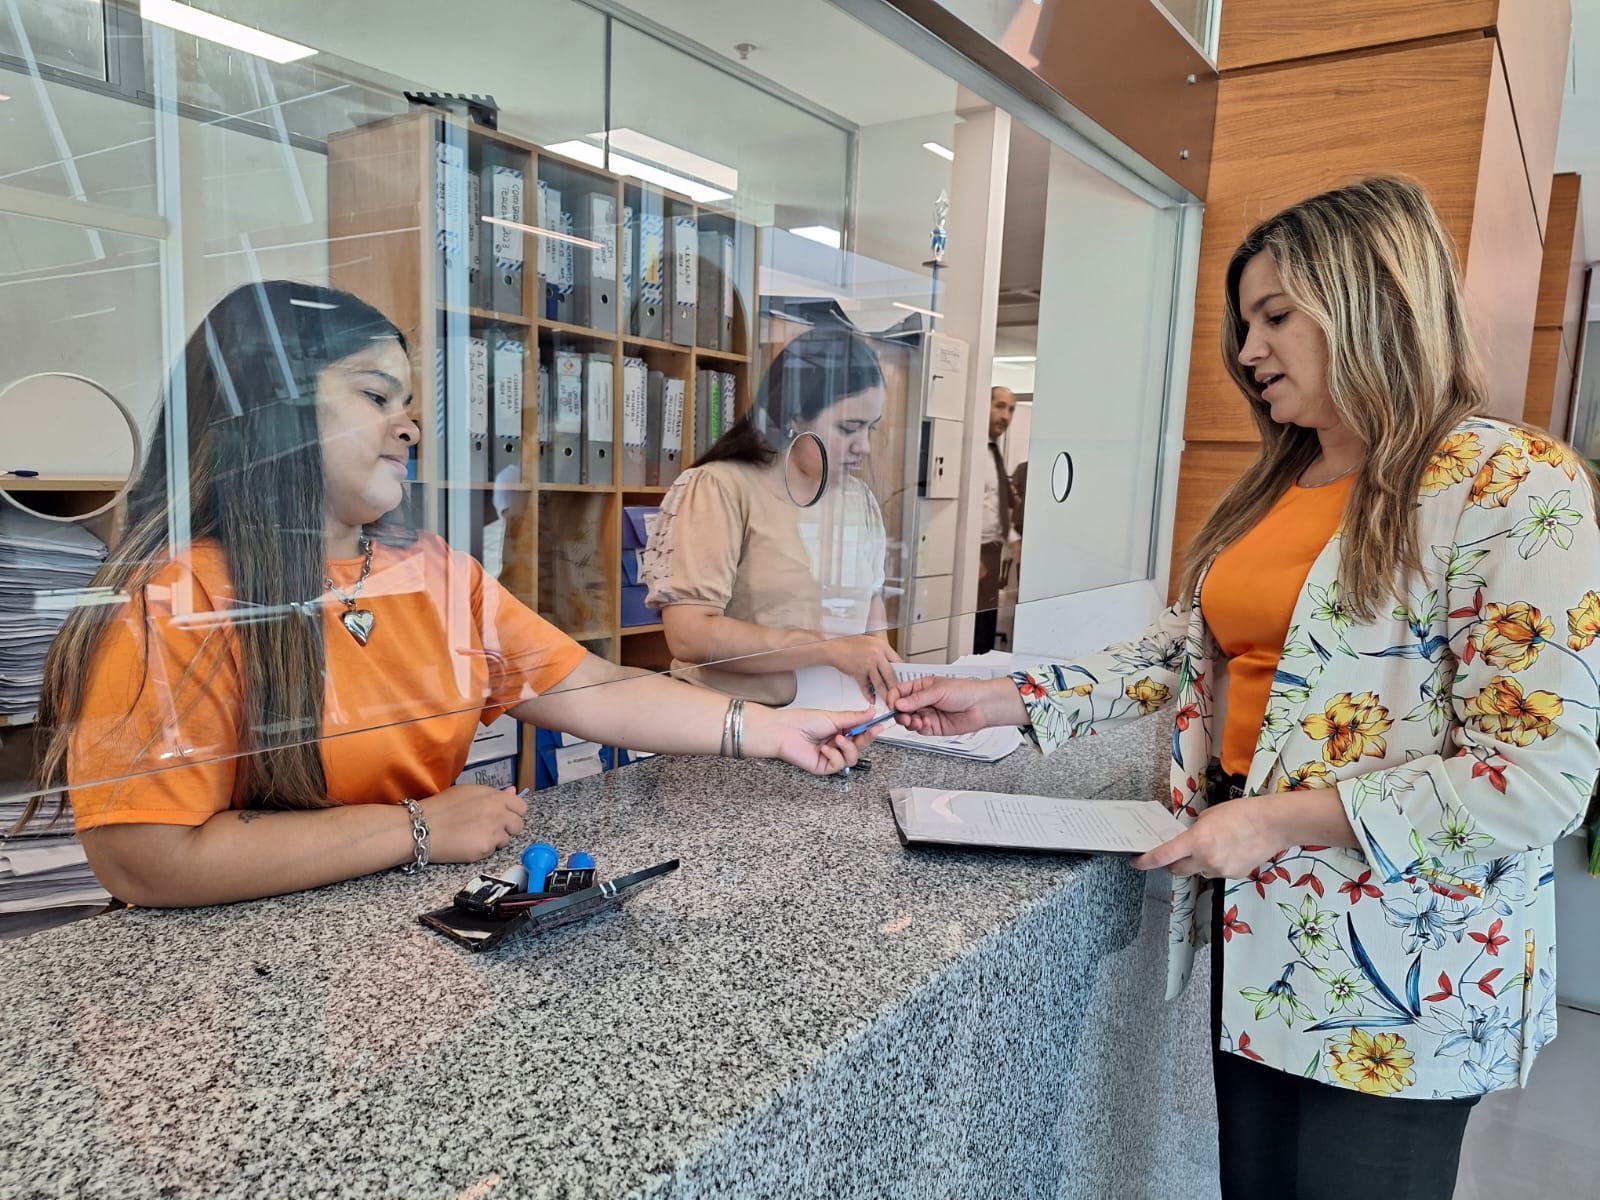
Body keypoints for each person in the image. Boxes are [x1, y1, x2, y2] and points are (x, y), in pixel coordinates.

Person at [887, 178, 1600, 1199]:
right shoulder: (1283, 483)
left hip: (1405, 959)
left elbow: (1535, 779)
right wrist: (1008, 697)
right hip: (1264, 928)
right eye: (1244, 324)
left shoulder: (1510, 481)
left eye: (1275, 317)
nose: (1248, 350)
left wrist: (1275, 821)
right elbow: (1186, 651)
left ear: (1370, 302)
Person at [22, 282, 878, 907]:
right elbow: (145, 858)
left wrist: (771, 730)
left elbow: (591, 687)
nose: (410, 427)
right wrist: (419, 828)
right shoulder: (177, 598)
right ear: (268, 408)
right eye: (375, 396)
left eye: (410, 404)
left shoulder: (432, 571)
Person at [642, 326, 900, 706]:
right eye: (849, 428)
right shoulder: (720, 487)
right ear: (795, 418)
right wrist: (827, 648)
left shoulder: (856, 498)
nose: (863, 446)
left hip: (838, 715)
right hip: (735, 719)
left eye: (870, 428)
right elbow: (689, 635)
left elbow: (870, 604)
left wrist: (888, 672)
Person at [973, 385, 1017, 653]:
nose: (1006, 416)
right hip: (975, 551)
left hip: (992, 549)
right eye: (999, 406)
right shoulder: (972, 452)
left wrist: (1013, 539)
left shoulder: (993, 452)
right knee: (974, 627)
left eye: (1011, 409)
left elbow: (995, 502)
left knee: (986, 623)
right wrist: (970, 556)